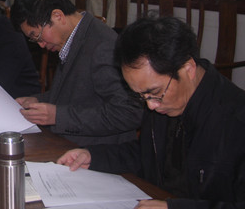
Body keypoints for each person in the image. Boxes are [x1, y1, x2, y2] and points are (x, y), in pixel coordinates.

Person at [57, 16, 245, 209]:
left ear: (188, 69)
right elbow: (148, 155)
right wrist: (94, 156)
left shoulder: (236, 120)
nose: (151, 106)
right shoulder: (162, 100)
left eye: (155, 93)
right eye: (140, 95)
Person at [10, 0, 142, 146]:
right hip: (72, 144)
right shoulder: (76, 37)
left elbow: (128, 113)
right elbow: (79, 94)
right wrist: (37, 100)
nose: (41, 45)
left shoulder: (102, 46)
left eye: (37, 36)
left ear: (58, 16)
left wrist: (58, 117)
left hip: (101, 150)